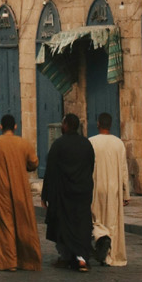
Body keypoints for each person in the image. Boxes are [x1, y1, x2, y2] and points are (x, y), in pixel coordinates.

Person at [0, 113, 41, 271]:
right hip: (20, 185)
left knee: (4, 222)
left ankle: (8, 261)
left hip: (0, 187)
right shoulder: (23, 143)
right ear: (15, 126)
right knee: (23, 220)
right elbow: (33, 163)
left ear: (0, 126)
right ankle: (28, 260)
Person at [41, 113, 95, 270]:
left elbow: (50, 171)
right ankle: (81, 258)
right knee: (82, 226)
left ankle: (67, 257)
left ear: (66, 126)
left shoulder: (59, 145)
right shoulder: (86, 144)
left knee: (64, 227)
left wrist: (46, 195)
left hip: (64, 194)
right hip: (83, 192)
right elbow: (91, 166)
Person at [91, 112, 131, 266]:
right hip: (114, 188)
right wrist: (125, 193)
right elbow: (123, 169)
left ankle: (102, 238)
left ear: (98, 124)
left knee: (97, 220)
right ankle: (112, 256)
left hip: (97, 186)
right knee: (113, 221)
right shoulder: (118, 143)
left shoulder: (92, 142)